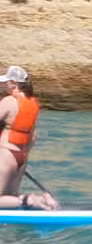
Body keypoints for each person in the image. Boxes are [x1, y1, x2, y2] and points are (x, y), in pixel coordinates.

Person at [0, 66, 56, 208]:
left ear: (14, 83)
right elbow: (33, 136)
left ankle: (32, 200)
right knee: (9, 198)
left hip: (7, 155)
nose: (5, 84)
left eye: (7, 81)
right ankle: (44, 200)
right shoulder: (33, 103)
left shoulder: (9, 101)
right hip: (22, 156)